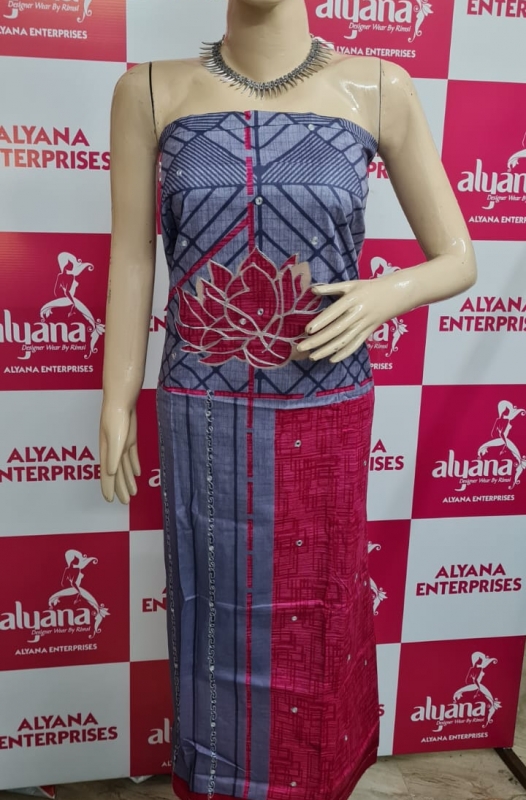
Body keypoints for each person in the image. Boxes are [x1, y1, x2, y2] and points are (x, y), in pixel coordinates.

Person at [99, 1, 477, 798]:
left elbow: (457, 258)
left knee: (321, 614)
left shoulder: (379, 85)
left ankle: (317, 780)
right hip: (203, 412)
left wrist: (383, 293)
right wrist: (116, 398)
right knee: (211, 616)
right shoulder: (149, 91)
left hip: (325, 409)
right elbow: (132, 256)